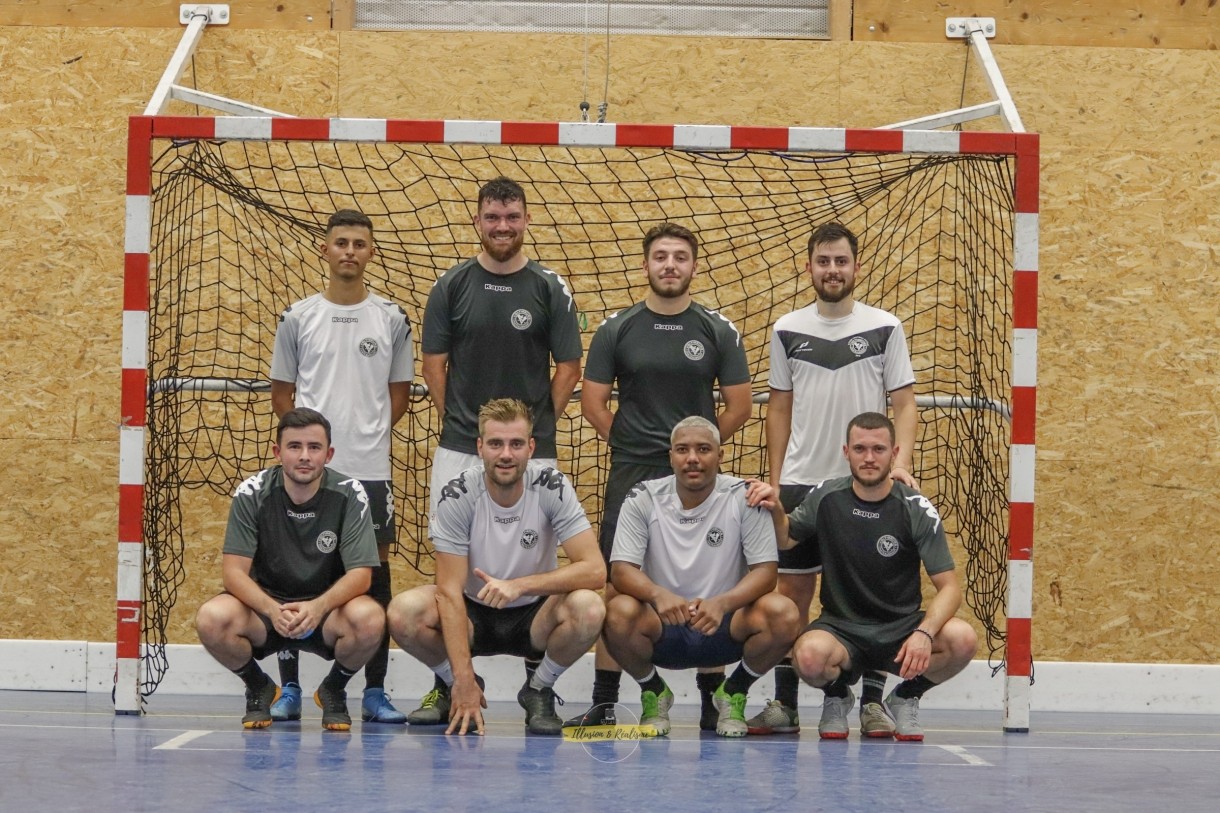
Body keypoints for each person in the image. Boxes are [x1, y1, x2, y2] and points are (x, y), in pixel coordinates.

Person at [566, 222, 753, 731]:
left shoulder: (717, 329)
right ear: (646, 264)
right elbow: (592, 402)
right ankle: (607, 701)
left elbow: (739, 405)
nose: (670, 265)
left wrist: (699, 454)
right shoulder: (616, 328)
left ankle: (713, 701)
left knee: (706, 575)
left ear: (694, 266)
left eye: (680, 257)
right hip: (632, 473)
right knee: (619, 586)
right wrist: (634, 444)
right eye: (661, 257)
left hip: (698, 479)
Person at [749, 221, 918, 737]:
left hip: (863, 487)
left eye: (841, 261)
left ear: (856, 267)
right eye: (823, 261)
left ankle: (869, 702)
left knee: (868, 596)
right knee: (791, 598)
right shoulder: (786, 328)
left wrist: (901, 462)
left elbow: (905, 403)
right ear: (810, 268)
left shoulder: (885, 327)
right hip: (802, 484)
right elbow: (779, 408)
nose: (832, 270)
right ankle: (784, 705)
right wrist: (777, 480)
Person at [268, 208, 414, 724]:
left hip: (369, 471)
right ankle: (287, 689)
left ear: (370, 252)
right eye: (341, 243)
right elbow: (283, 394)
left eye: (359, 243)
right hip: (310, 473)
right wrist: (310, 452)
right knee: (293, 568)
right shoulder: (297, 317)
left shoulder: (393, 318)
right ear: (325, 251)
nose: (349, 251)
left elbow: (398, 396)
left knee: (373, 574)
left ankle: (373, 691)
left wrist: (362, 436)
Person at [387, 398, 605, 735]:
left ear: (531, 447)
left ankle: (538, 689)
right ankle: (456, 686)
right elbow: (448, 592)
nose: (506, 454)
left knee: (589, 608)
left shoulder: (552, 486)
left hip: (535, 616)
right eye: (496, 444)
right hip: (472, 612)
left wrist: (520, 585)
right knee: (403, 613)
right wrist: (463, 679)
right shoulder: (458, 494)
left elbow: (594, 570)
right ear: (480, 447)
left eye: (516, 444)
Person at [774, 412, 977, 741]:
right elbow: (785, 538)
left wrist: (924, 633)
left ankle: (906, 697)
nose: (869, 458)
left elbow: (950, 588)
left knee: (963, 639)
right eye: (860, 449)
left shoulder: (916, 508)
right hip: (841, 628)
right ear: (846, 452)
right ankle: (838, 696)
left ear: (895, 454)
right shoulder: (826, 497)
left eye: (879, 449)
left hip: (900, 629)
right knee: (808, 658)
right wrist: (770, 505)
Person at [600, 417, 800, 738]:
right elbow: (621, 571)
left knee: (784, 612)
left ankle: (733, 692)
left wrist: (723, 603)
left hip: (724, 628)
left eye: (703, 449)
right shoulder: (643, 497)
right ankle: (654, 692)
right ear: (670, 457)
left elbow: (766, 573)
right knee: (614, 610)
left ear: (720, 456)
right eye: (683, 449)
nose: (692, 457)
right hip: (663, 628)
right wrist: (657, 595)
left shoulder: (744, 496)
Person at [195, 408, 386, 731]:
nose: (304, 456)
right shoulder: (252, 493)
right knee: (211, 619)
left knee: (371, 619)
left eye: (314, 448)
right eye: (294, 446)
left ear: (329, 454)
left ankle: (333, 689)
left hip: (326, 612)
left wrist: (318, 606)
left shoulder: (350, 494)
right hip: (265, 611)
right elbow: (233, 573)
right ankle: (258, 686)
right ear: (277, 452)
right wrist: (272, 609)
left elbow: (361, 575)